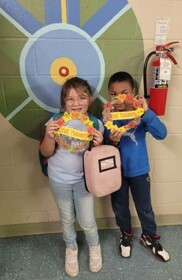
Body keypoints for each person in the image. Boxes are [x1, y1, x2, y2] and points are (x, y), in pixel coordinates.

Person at [40, 77, 104, 277]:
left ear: (90, 99)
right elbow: (45, 152)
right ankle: (71, 249)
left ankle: (94, 246)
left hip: (84, 180)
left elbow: (96, 157)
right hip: (58, 179)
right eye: (70, 99)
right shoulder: (55, 121)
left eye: (82, 98)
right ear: (63, 103)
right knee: (66, 219)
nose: (76, 103)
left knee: (87, 220)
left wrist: (99, 144)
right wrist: (49, 137)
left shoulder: (94, 124)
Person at [104, 71, 170, 262]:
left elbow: (162, 134)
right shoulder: (108, 116)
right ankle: (126, 234)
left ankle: (149, 236)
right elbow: (103, 150)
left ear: (132, 92)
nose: (119, 98)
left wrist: (147, 112)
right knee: (119, 207)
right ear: (110, 96)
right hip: (116, 173)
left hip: (140, 170)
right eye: (114, 94)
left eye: (124, 92)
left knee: (145, 207)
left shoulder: (141, 115)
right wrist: (112, 141)